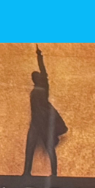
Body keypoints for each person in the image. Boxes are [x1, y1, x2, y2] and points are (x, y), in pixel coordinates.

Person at [23, 46, 67, 177]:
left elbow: (44, 71)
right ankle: (26, 172)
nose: (34, 76)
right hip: (35, 123)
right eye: (34, 76)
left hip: (43, 123)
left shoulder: (43, 87)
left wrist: (39, 57)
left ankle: (54, 173)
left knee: (49, 148)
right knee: (29, 148)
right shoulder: (35, 90)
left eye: (36, 75)